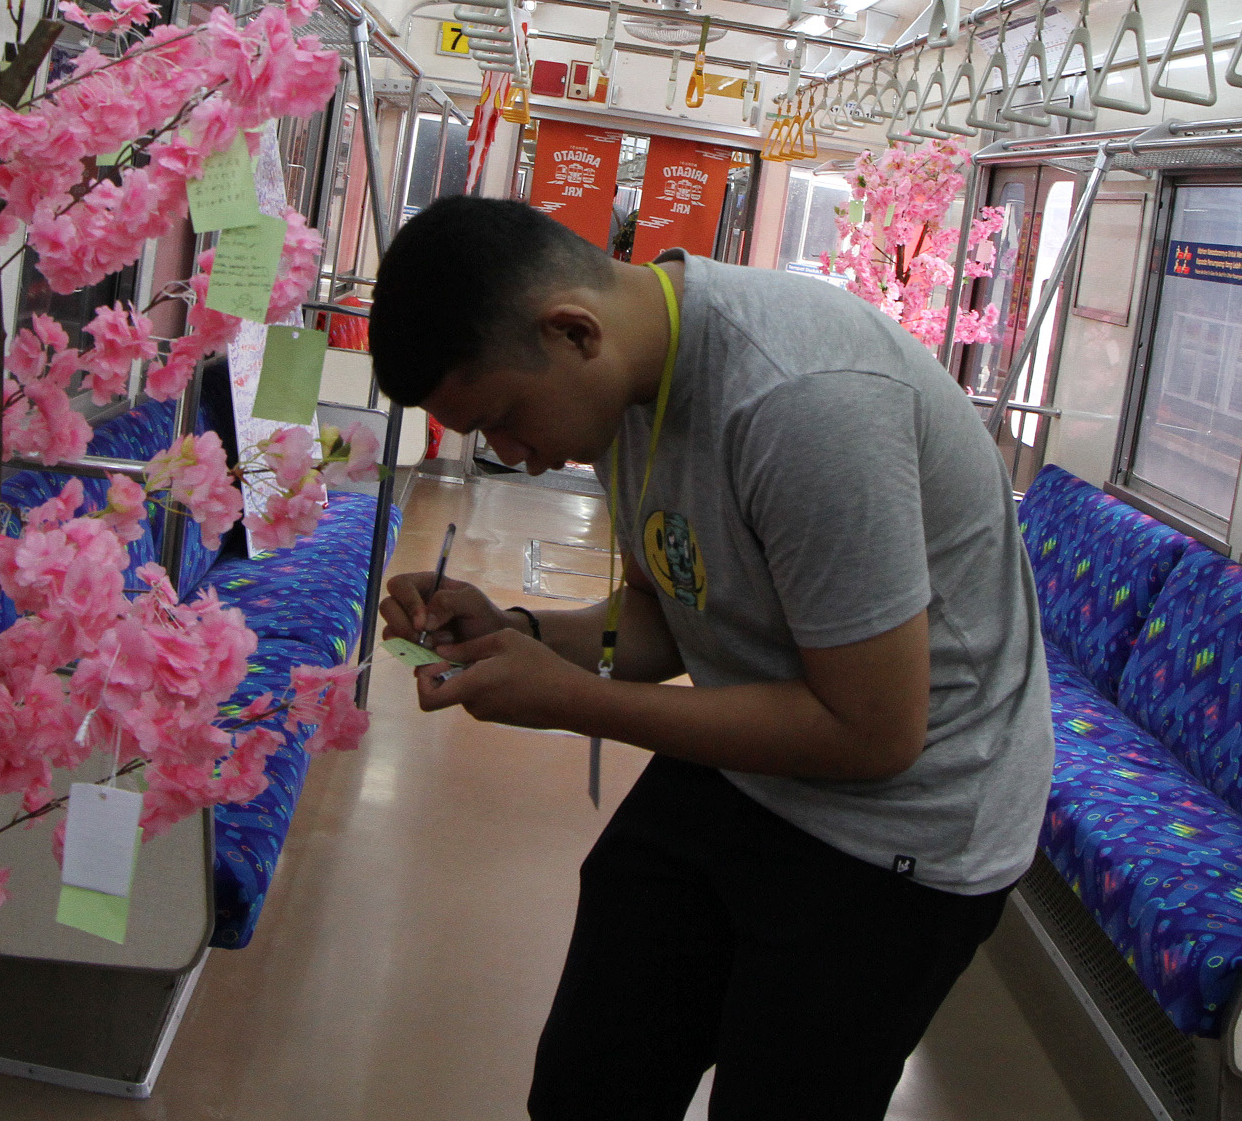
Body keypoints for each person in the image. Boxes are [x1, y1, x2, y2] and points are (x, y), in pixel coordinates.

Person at [369, 196, 1050, 1121]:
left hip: (904, 821)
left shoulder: (801, 401)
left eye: (507, 419)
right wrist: (517, 634)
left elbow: (874, 733)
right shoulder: (624, 390)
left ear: (573, 333)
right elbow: (670, 619)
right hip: (756, 758)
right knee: (589, 1081)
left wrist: (572, 699)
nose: (516, 458)